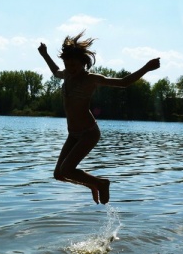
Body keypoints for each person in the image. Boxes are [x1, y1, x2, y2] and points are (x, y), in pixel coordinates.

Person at [38, 31, 160, 204]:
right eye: (67, 64)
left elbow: (123, 82)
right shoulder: (66, 74)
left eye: (74, 65)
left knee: (67, 169)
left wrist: (146, 68)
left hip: (89, 133)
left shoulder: (91, 79)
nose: (71, 69)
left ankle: (101, 183)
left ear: (83, 63)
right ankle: (92, 185)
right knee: (59, 174)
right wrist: (45, 54)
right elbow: (55, 70)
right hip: (73, 134)